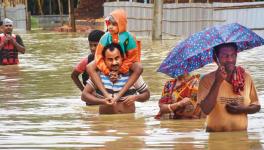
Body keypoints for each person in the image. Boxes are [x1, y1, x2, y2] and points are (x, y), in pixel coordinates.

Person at [198, 43, 261, 132]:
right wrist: (218, 81)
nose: (230, 59)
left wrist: (242, 109)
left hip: (241, 139)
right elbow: (205, 110)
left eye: (233, 55)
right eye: (225, 56)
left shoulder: (246, 78)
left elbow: (256, 106)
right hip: (216, 139)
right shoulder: (206, 80)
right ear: (216, 59)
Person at [87, 9, 142, 103]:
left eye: (114, 24)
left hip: (124, 63)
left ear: (121, 24)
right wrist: (108, 72)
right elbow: (99, 56)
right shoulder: (105, 37)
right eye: (109, 24)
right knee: (89, 66)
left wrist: (121, 70)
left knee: (139, 67)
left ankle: (120, 94)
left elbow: (132, 57)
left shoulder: (129, 37)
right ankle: (105, 94)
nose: (110, 27)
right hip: (107, 63)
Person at [81, 43, 150, 114]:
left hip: (128, 122)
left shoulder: (132, 75)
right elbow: (84, 96)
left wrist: (135, 97)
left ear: (122, 58)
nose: (114, 62)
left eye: (117, 58)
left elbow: (147, 94)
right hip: (105, 122)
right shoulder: (98, 75)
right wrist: (102, 101)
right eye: (110, 59)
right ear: (104, 60)